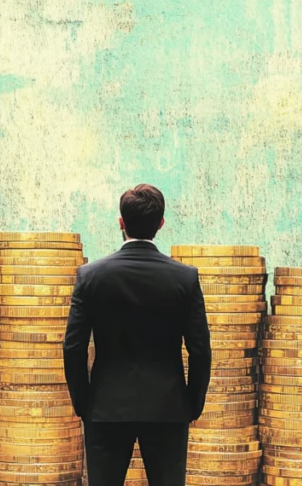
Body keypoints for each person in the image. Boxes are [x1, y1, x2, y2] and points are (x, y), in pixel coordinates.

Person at [63, 184, 212, 486]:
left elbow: (73, 348)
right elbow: (200, 350)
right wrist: (192, 404)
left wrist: (84, 403)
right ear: (161, 224)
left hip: (105, 407)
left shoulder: (90, 276)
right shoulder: (185, 278)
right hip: (168, 408)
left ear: (121, 222)